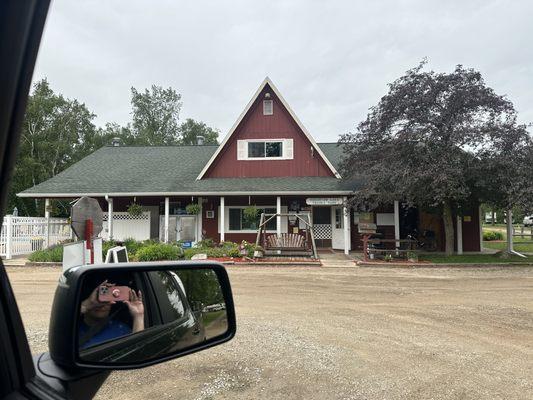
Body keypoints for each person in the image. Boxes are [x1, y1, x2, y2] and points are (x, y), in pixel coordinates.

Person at [79, 280, 144, 349]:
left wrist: (138, 316)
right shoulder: (71, 326)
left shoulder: (121, 330)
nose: (102, 304)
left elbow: (137, 350)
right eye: (98, 298)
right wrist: (87, 305)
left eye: (107, 299)